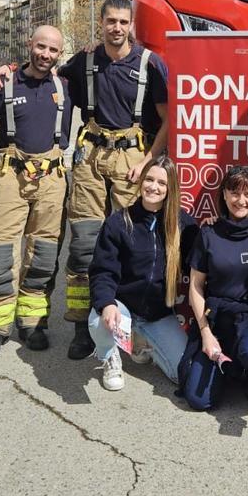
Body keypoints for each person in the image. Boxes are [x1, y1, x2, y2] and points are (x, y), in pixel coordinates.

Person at [59, 0, 171, 360]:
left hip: (132, 159)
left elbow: (168, 120)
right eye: (111, 21)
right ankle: (82, 325)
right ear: (101, 23)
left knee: (133, 245)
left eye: (123, 22)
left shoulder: (151, 66)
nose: (117, 28)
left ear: (132, 25)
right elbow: (44, 78)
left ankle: (127, 323)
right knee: (83, 247)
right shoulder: (85, 61)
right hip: (91, 156)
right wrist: (6, 73)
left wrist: (150, 160)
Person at [0, 25, 72, 356]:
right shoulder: (6, 83)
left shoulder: (66, 86)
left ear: (60, 54)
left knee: (43, 255)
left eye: (53, 50)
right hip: (10, 179)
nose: (45, 54)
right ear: (29, 45)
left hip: (51, 180)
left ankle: (33, 323)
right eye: (40, 46)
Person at [178, 166, 248, 410]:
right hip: (218, 320)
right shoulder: (208, 231)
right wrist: (206, 333)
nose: (241, 200)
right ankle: (227, 364)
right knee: (199, 400)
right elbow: (196, 286)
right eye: (234, 193)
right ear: (224, 195)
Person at [86, 155, 197, 390]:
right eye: (149, 179)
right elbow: (102, 271)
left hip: (157, 314)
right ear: (141, 181)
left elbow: (198, 265)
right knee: (98, 321)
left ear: (171, 189)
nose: (153, 187)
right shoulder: (118, 223)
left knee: (183, 376)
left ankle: (145, 343)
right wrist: (107, 303)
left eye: (161, 183)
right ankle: (109, 356)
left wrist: (215, 235)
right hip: (122, 307)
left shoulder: (184, 225)